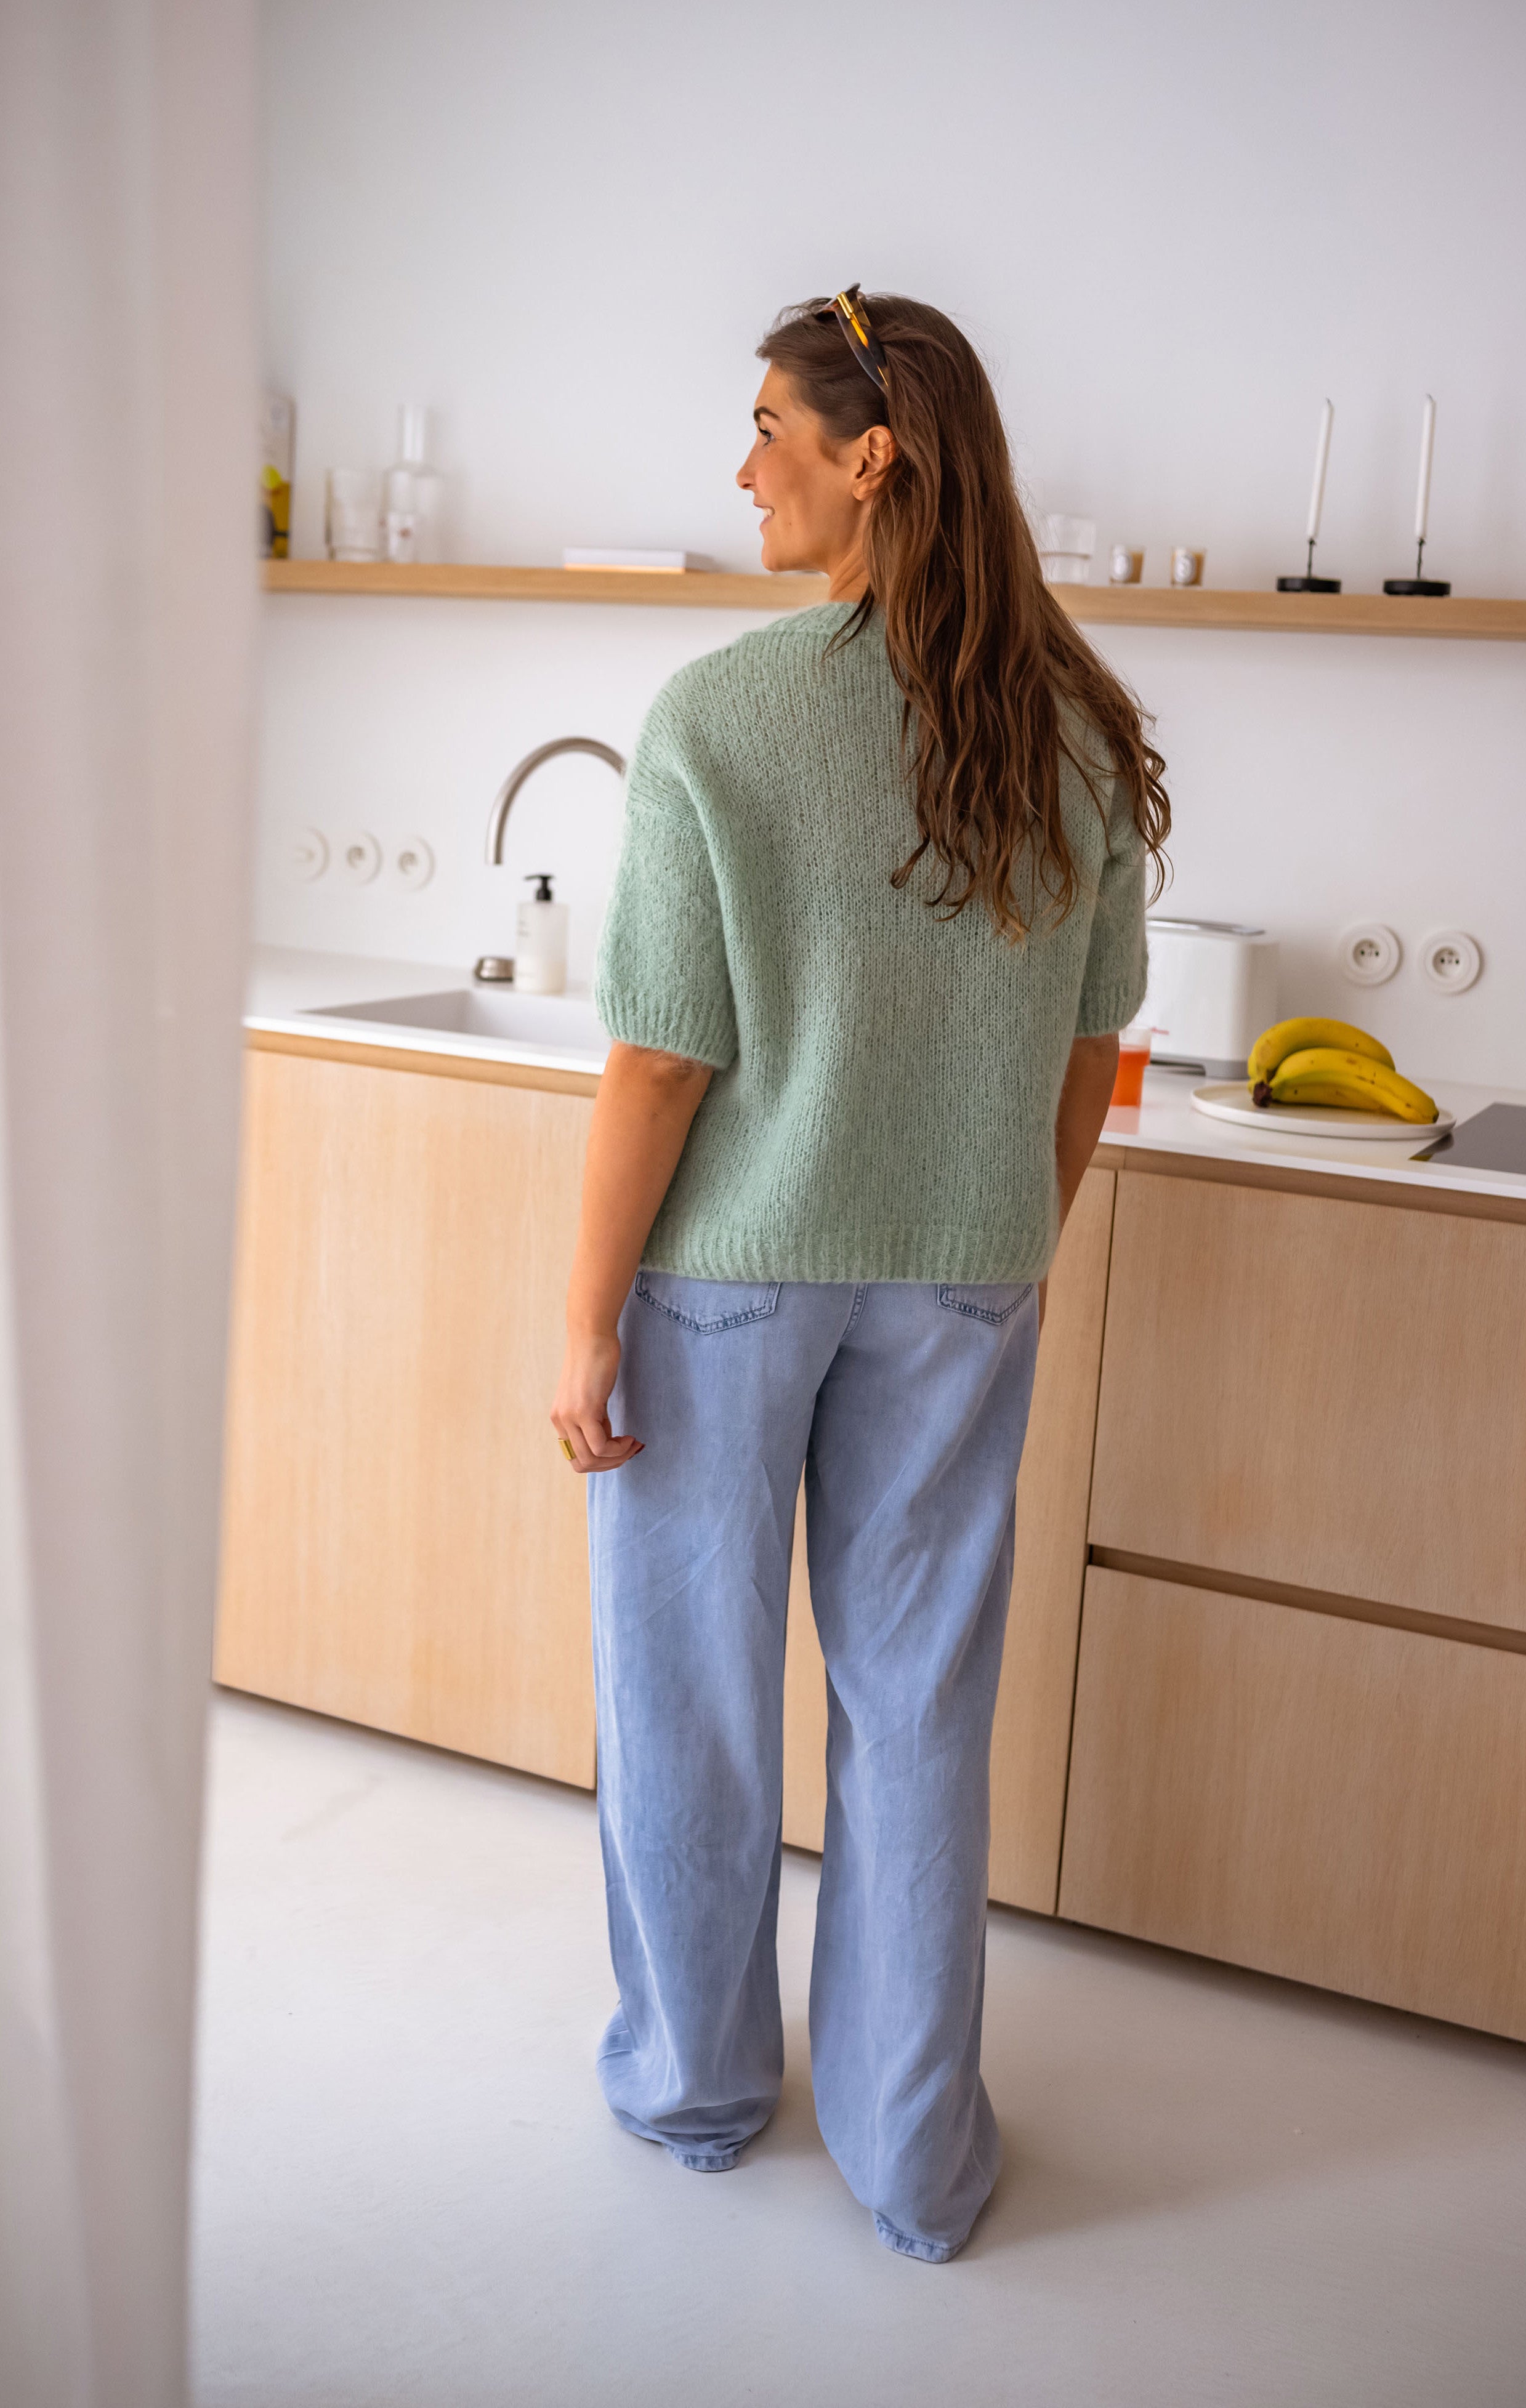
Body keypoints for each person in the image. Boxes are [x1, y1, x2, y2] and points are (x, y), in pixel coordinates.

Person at [551, 288, 1170, 2262]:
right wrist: (1004, 1233)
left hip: (726, 1275)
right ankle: (917, 2164)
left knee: (688, 1699)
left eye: (766, 430)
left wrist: (582, 1322)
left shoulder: (725, 715)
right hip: (963, 1271)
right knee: (917, 1711)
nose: (744, 469)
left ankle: (699, 2086)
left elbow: (660, 1058)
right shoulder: (1076, 725)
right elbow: (1094, 1052)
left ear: (870, 454)